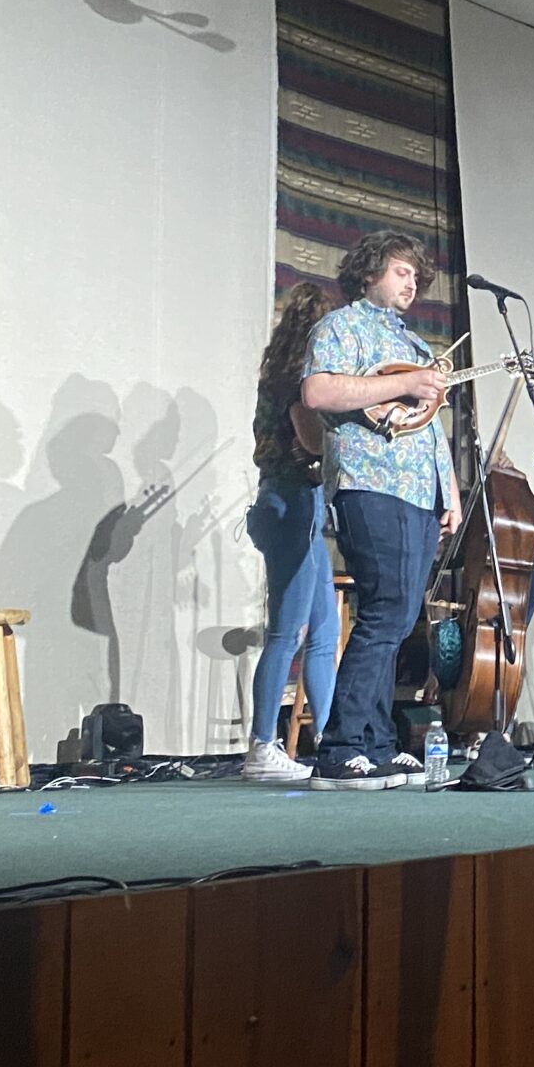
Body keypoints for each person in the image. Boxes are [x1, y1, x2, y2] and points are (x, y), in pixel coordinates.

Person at [300, 231, 460, 790]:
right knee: (384, 611)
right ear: (369, 273)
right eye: (400, 271)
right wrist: (408, 382)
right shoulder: (341, 327)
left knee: (399, 617)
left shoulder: (414, 344)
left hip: (418, 491)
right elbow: (318, 393)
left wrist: (449, 490)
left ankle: (378, 744)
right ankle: (340, 747)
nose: (411, 283)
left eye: (416, 275)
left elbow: (428, 426)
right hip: (370, 481)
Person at [240, 281, 341, 782]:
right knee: (288, 631)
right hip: (291, 499)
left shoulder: (279, 373)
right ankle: (262, 745)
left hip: (299, 501)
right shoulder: (300, 381)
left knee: (324, 632)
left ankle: (334, 741)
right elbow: (311, 438)